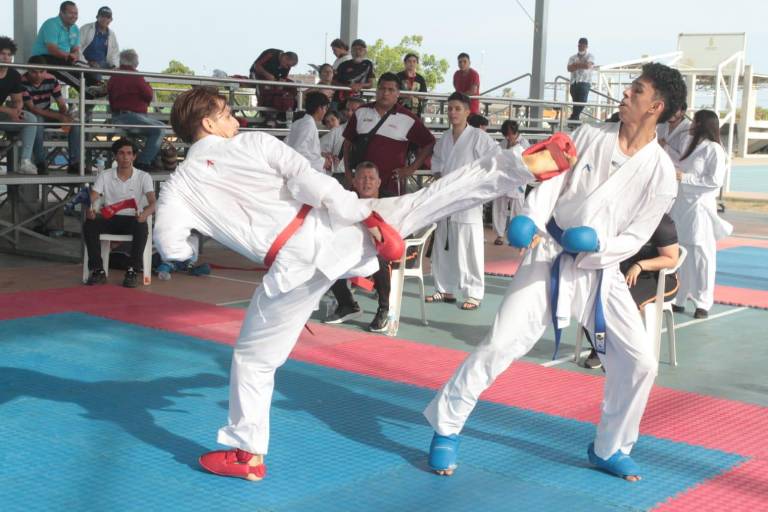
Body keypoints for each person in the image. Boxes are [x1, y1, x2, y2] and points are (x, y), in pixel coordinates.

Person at [153, 85, 575, 482]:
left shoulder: (178, 187)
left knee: (253, 358)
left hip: (290, 269)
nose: (234, 122)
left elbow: (171, 248)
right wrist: (368, 218)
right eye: (226, 115)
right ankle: (520, 163)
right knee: (429, 200)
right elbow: (312, 182)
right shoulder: (255, 143)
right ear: (207, 124)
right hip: (337, 230)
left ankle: (247, 453)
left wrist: (197, 241)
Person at [424, 62, 687, 483]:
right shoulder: (588, 135)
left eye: (635, 91)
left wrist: (600, 244)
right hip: (548, 252)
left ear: (655, 106)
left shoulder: (660, 173)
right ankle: (446, 426)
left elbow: (638, 235)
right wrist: (530, 216)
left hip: (599, 270)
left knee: (640, 363)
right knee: (500, 344)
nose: (624, 95)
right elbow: (549, 179)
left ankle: (610, 446)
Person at [426, 92, 498, 310]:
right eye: (449, 108)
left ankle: (473, 292)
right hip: (445, 198)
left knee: (469, 246)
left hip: (468, 200)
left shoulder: (478, 137)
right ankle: (444, 288)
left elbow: (494, 160)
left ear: (468, 111)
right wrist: (440, 180)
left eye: (457, 108)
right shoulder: (444, 139)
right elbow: (437, 165)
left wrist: (478, 183)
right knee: (443, 245)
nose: (453, 112)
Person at [583, 214, 680, 369]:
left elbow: (671, 259)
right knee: (591, 301)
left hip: (657, 278)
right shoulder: (619, 214)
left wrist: (640, 265)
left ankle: (629, 354)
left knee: (623, 306)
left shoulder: (661, 221)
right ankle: (600, 348)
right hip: (621, 274)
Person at [669, 109, 732, 319]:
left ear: (703, 124)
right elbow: (681, 164)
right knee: (681, 253)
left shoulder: (714, 149)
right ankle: (679, 297)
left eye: (696, 121)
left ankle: (703, 302)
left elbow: (714, 181)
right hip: (681, 206)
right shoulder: (689, 143)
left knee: (701, 256)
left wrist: (684, 178)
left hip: (699, 209)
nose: (692, 124)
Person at [325, 161, 393, 332]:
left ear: (379, 182)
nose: (366, 182)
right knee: (327, 254)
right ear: (354, 182)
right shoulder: (347, 203)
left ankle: (384, 309)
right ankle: (347, 304)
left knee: (380, 258)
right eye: (362, 178)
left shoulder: (391, 202)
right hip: (355, 252)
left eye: (371, 178)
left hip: (386, 252)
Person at [343, 73, 435, 195]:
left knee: (389, 215)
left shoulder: (408, 118)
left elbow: (429, 142)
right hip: (362, 184)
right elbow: (347, 143)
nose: (385, 93)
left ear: (398, 93)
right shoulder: (361, 112)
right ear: (376, 90)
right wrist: (348, 173)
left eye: (391, 90)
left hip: (391, 184)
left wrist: (410, 169)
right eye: (382, 88)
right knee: (360, 214)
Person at [83, 138, 156, 288]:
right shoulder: (105, 175)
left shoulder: (144, 177)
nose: (125, 157)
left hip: (132, 219)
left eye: (129, 153)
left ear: (134, 156)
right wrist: (89, 209)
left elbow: (153, 203)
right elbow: (92, 198)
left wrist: (144, 214)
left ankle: (132, 270)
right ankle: (98, 270)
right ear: (116, 156)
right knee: (90, 224)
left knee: (141, 226)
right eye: (121, 153)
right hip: (110, 218)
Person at [107, 49, 166, 171]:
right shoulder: (135, 75)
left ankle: (150, 160)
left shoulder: (114, 76)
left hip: (119, 116)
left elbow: (111, 97)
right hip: (131, 117)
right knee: (159, 129)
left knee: (159, 127)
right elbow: (149, 94)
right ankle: (143, 162)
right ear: (134, 61)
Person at [22, 55, 82, 174]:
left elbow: (60, 102)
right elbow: (32, 108)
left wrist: (66, 114)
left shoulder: (52, 79)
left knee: (76, 123)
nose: (38, 75)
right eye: (34, 72)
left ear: (46, 70)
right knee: (36, 121)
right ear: (28, 70)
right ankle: (40, 163)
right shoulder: (21, 81)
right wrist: (60, 116)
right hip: (28, 116)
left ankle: (74, 163)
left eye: (42, 71)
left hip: (47, 113)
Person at [31, 1, 101, 94]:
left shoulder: (75, 28)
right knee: (66, 70)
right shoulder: (51, 24)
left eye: (76, 13)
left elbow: (75, 49)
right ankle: (87, 91)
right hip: (44, 59)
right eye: (71, 13)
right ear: (61, 13)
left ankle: (98, 86)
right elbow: (52, 49)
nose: (74, 16)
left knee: (87, 68)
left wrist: (74, 56)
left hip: (64, 58)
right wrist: (69, 56)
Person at [0, 36, 42, 175]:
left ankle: (25, 161)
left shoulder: (13, 74)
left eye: (8, 55)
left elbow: (17, 99)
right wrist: (9, 110)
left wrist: (17, 109)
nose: (5, 57)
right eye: (2, 54)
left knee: (30, 119)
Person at [492, 120, 531, 245]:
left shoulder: (524, 144)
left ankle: (515, 236)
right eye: (505, 135)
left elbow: (527, 162)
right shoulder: (503, 143)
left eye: (509, 134)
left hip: (517, 180)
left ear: (516, 132)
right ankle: (499, 235)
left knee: (517, 209)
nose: (507, 137)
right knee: (499, 207)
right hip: (503, 179)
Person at [284, 91, 331, 173]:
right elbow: (299, 151)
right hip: (304, 171)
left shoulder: (300, 122)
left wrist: (321, 154)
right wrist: (322, 162)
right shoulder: (308, 125)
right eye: (325, 108)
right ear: (320, 108)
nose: (325, 112)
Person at [320, 97, 364, 176]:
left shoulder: (370, 132)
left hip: (364, 175)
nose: (349, 113)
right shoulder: (336, 131)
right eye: (347, 109)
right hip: (340, 175)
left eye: (354, 110)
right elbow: (318, 151)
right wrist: (326, 156)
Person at [334, 39, 374, 108]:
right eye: (355, 49)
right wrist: (348, 87)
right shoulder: (343, 64)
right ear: (351, 51)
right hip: (341, 101)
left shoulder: (368, 64)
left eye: (360, 49)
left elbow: (370, 84)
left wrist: (360, 85)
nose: (357, 52)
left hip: (359, 101)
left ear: (365, 51)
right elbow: (334, 82)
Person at [78, 6, 119, 71]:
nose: (105, 19)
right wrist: (87, 63)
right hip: (84, 64)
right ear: (97, 17)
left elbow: (114, 54)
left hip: (103, 65)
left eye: (108, 17)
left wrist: (114, 66)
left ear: (111, 19)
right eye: (102, 16)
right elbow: (77, 48)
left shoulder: (112, 34)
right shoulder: (86, 28)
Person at [567, 37, 595, 121]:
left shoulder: (590, 56)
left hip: (584, 82)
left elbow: (587, 66)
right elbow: (569, 68)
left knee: (582, 102)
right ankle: (574, 121)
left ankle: (573, 118)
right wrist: (581, 64)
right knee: (576, 104)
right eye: (579, 45)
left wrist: (576, 65)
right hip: (574, 83)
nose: (580, 47)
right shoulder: (572, 57)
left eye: (582, 46)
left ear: (586, 46)